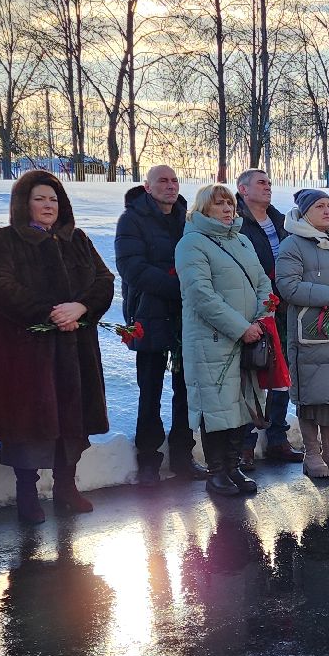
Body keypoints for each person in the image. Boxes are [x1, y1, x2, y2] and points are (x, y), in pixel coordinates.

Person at [0, 170, 114, 522]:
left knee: (73, 419)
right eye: (39, 198)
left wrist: (81, 307)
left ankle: (66, 486)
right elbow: (0, 286)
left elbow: (104, 279)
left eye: (53, 199)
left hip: (74, 348)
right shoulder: (5, 240)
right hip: (26, 351)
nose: (47, 205)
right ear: (24, 203)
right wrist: (50, 313)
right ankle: (26, 492)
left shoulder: (78, 240)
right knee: (28, 421)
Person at [177, 183, 275, 496]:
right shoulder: (192, 243)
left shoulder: (242, 239)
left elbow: (262, 282)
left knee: (242, 406)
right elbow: (201, 295)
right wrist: (240, 327)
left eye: (230, 203)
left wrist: (260, 318)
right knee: (217, 408)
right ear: (204, 208)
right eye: (219, 204)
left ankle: (233, 466)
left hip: (249, 335)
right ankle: (216, 472)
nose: (227, 209)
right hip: (213, 340)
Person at [117, 165, 200, 486]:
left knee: (186, 389)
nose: (170, 186)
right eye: (162, 181)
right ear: (147, 187)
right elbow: (131, 267)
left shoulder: (188, 219)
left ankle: (183, 456)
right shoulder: (132, 219)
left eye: (174, 180)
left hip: (185, 316)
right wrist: (181, 286)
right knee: (149, 390)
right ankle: (148, 462)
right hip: (149, 311)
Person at [275, 189, 329, 479]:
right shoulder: (293, 244)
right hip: (312, 331)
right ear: (304, 213)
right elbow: (287, 286)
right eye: (319, 206)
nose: (327, 211)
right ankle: (312, 454)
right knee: (313, 395)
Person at [235, 168, 300, 466]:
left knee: (280, 376)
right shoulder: (236, 221)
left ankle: (277, 438)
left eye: (270, 183)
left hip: (283, 308)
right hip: (252, 309)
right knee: (251, 376)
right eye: (261, 183)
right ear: (243, 189)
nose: (268, 187)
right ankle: (245, 444)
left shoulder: (279, 220)